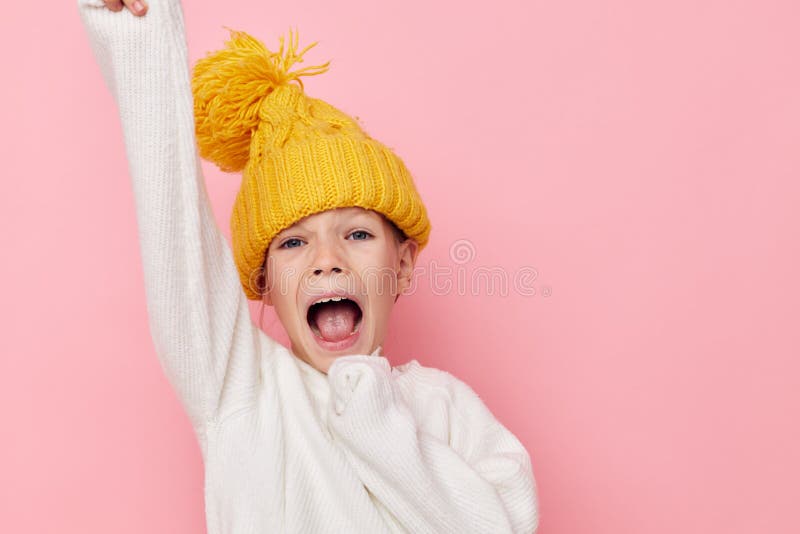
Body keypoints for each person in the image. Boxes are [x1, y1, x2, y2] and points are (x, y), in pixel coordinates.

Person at [77, 0, 540, 532]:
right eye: (294, 244)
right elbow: (173, 221)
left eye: (358, 234)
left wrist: (373, 420)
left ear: (404, 264)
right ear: (262, 282)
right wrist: (139, 31)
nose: (326, 260)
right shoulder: (242, 392)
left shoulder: (448, 410)